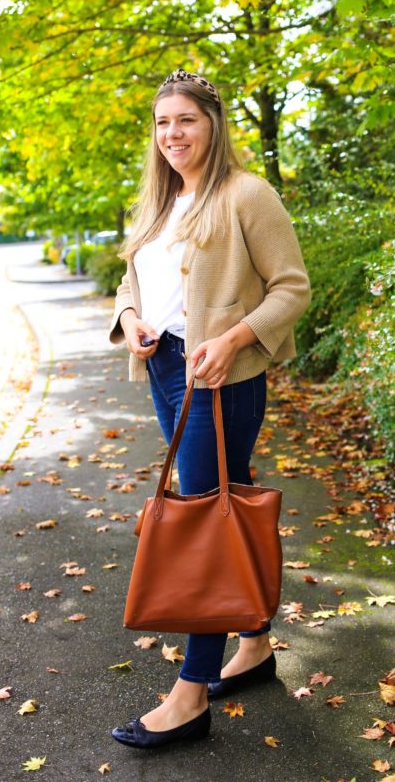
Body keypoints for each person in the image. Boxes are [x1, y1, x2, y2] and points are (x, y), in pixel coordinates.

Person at [107, 68, 311, 750]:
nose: (173, 135)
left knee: (201, 522)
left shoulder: (246, 195)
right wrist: (132, 316)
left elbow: (291, 288)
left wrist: (233, 338)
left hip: (221, 377)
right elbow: (129, 280)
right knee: (225, 501)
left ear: (212, 125)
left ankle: (189, 696)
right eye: (163, 123)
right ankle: (252, 645)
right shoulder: (158, 203)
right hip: (165, 369)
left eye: (185, 121)